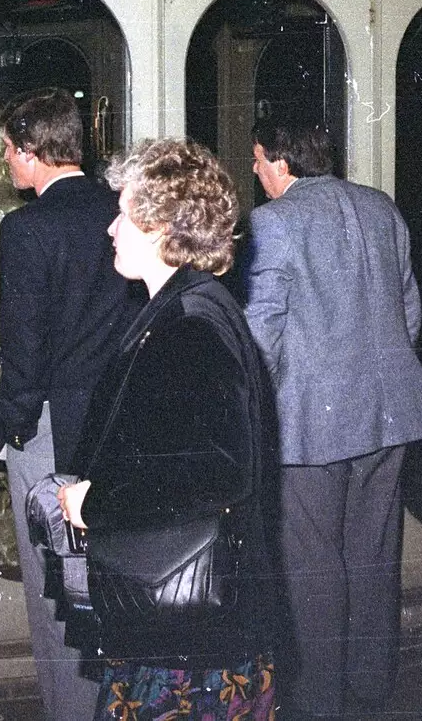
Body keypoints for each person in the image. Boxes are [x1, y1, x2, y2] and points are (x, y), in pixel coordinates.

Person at [58, 138, 279, 721]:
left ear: (160, 227)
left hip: (190, 642)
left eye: (123, 213)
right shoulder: (184, 307)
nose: (110, 228)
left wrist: (96, 501)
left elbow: (219, 469)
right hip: (188, 624)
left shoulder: (190, 324)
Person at [240, 119, 422, 720]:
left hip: (310, 426)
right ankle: (370, 682)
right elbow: (409, 310)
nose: (255, 171)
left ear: (280, 161)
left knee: (312, 560)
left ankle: (318, 697)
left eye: (257, 159)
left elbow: (262, 335)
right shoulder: (380, 208)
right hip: (388, 415)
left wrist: (258, 411)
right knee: (373, 550)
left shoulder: (274, 223)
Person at [0, 88, 144, 721]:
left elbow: (22, 350)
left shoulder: (25, 229)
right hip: (122, 421)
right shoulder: (124, 210)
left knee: (57, 596)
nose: (3, 161)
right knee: (115, 582)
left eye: (7, 150)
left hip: (54, 428)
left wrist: (8, 428)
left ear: (32, 152)